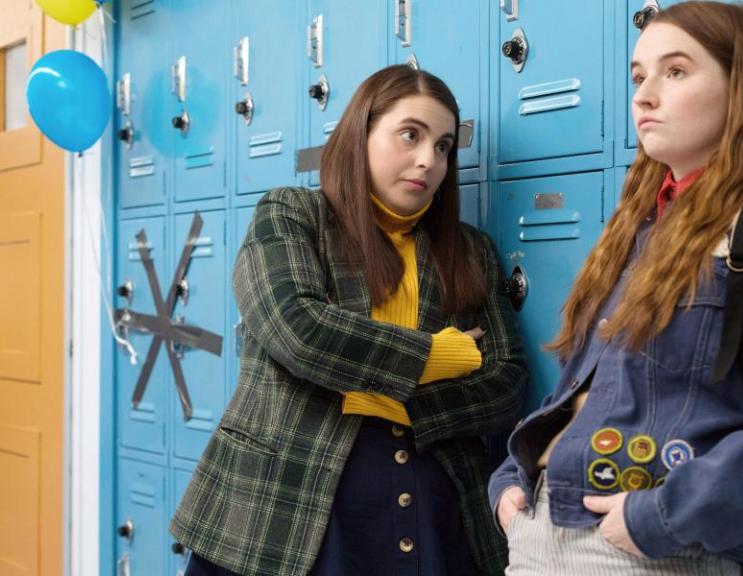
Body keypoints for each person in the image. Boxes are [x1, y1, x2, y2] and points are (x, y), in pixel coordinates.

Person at [489, 2, 743, 574]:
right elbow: (586, 390)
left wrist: (659, 516)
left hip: (647, 551)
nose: (643, 95)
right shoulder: (637, 230)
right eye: (639, 76)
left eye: (676, 71)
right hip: (540, 532)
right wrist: (512, 480)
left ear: (742, 90)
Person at [171, 64, 527, 576]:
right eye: (410, 135)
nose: (428, 160)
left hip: (432, 503)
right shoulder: (291, 214)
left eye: (444, 146)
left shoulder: (470, 251)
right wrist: (435, 355)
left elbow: (506, 381)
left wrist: (389, 399)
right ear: (360, 135)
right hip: (281, 504)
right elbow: (298, 330)